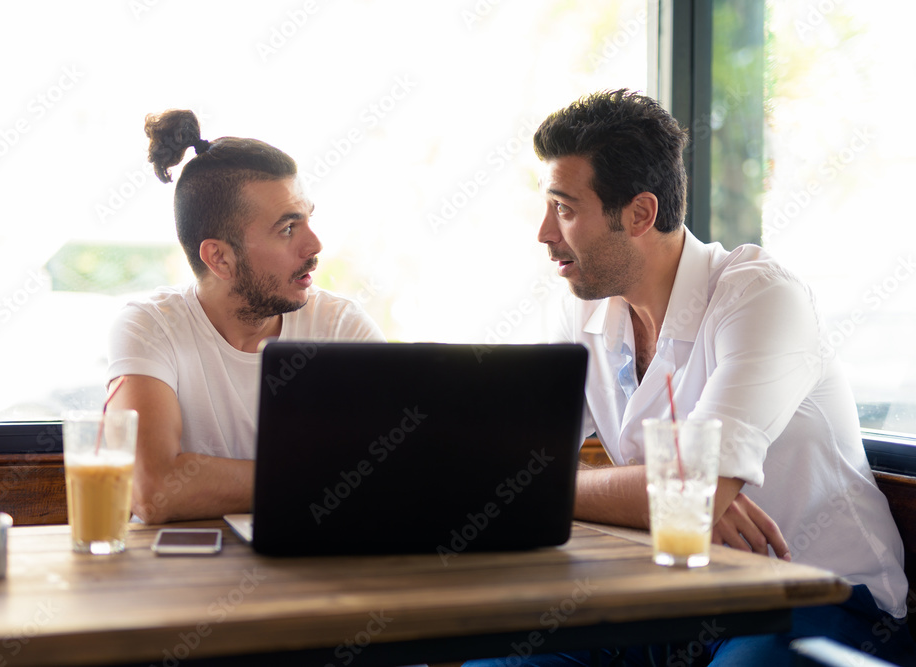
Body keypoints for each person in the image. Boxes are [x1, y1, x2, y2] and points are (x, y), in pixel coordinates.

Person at [466, 90, 914, 665]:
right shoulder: (580, 308)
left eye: (566, 209)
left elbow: (689, 499)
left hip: (816, 597)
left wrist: (655, 491)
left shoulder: (760, 296)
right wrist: (660, 489)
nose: (544, 233)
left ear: (640, 214)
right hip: (667, 597)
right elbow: (507, 463)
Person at [105, 110, 385, 524]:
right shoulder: (149, 327)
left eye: (308, 218)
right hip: (185, 581)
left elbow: (397, 469)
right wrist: (324, 478)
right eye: (288, 228)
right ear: (219, 257)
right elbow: (154, 489)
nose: (315, 244)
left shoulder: (341, 326)